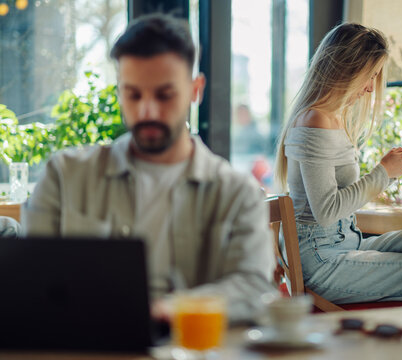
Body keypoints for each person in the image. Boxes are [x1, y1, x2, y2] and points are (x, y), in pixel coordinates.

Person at [22, 13, 276, 323]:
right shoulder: (64, 175)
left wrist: (165, 310)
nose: (147, 110)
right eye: (133, 94)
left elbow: (253, 287)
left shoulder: (238, 193)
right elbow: (31, 279)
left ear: (196, 90)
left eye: (164, 95)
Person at [275, 23, 402, 305]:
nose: (370, 88)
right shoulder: (315, 120)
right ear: (347, 69)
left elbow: (340, 201)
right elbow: (327, 212)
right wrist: (382, 172)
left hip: (346, 244)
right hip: (322, 260)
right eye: (370, 76)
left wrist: (392, 173)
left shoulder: (332, 120)